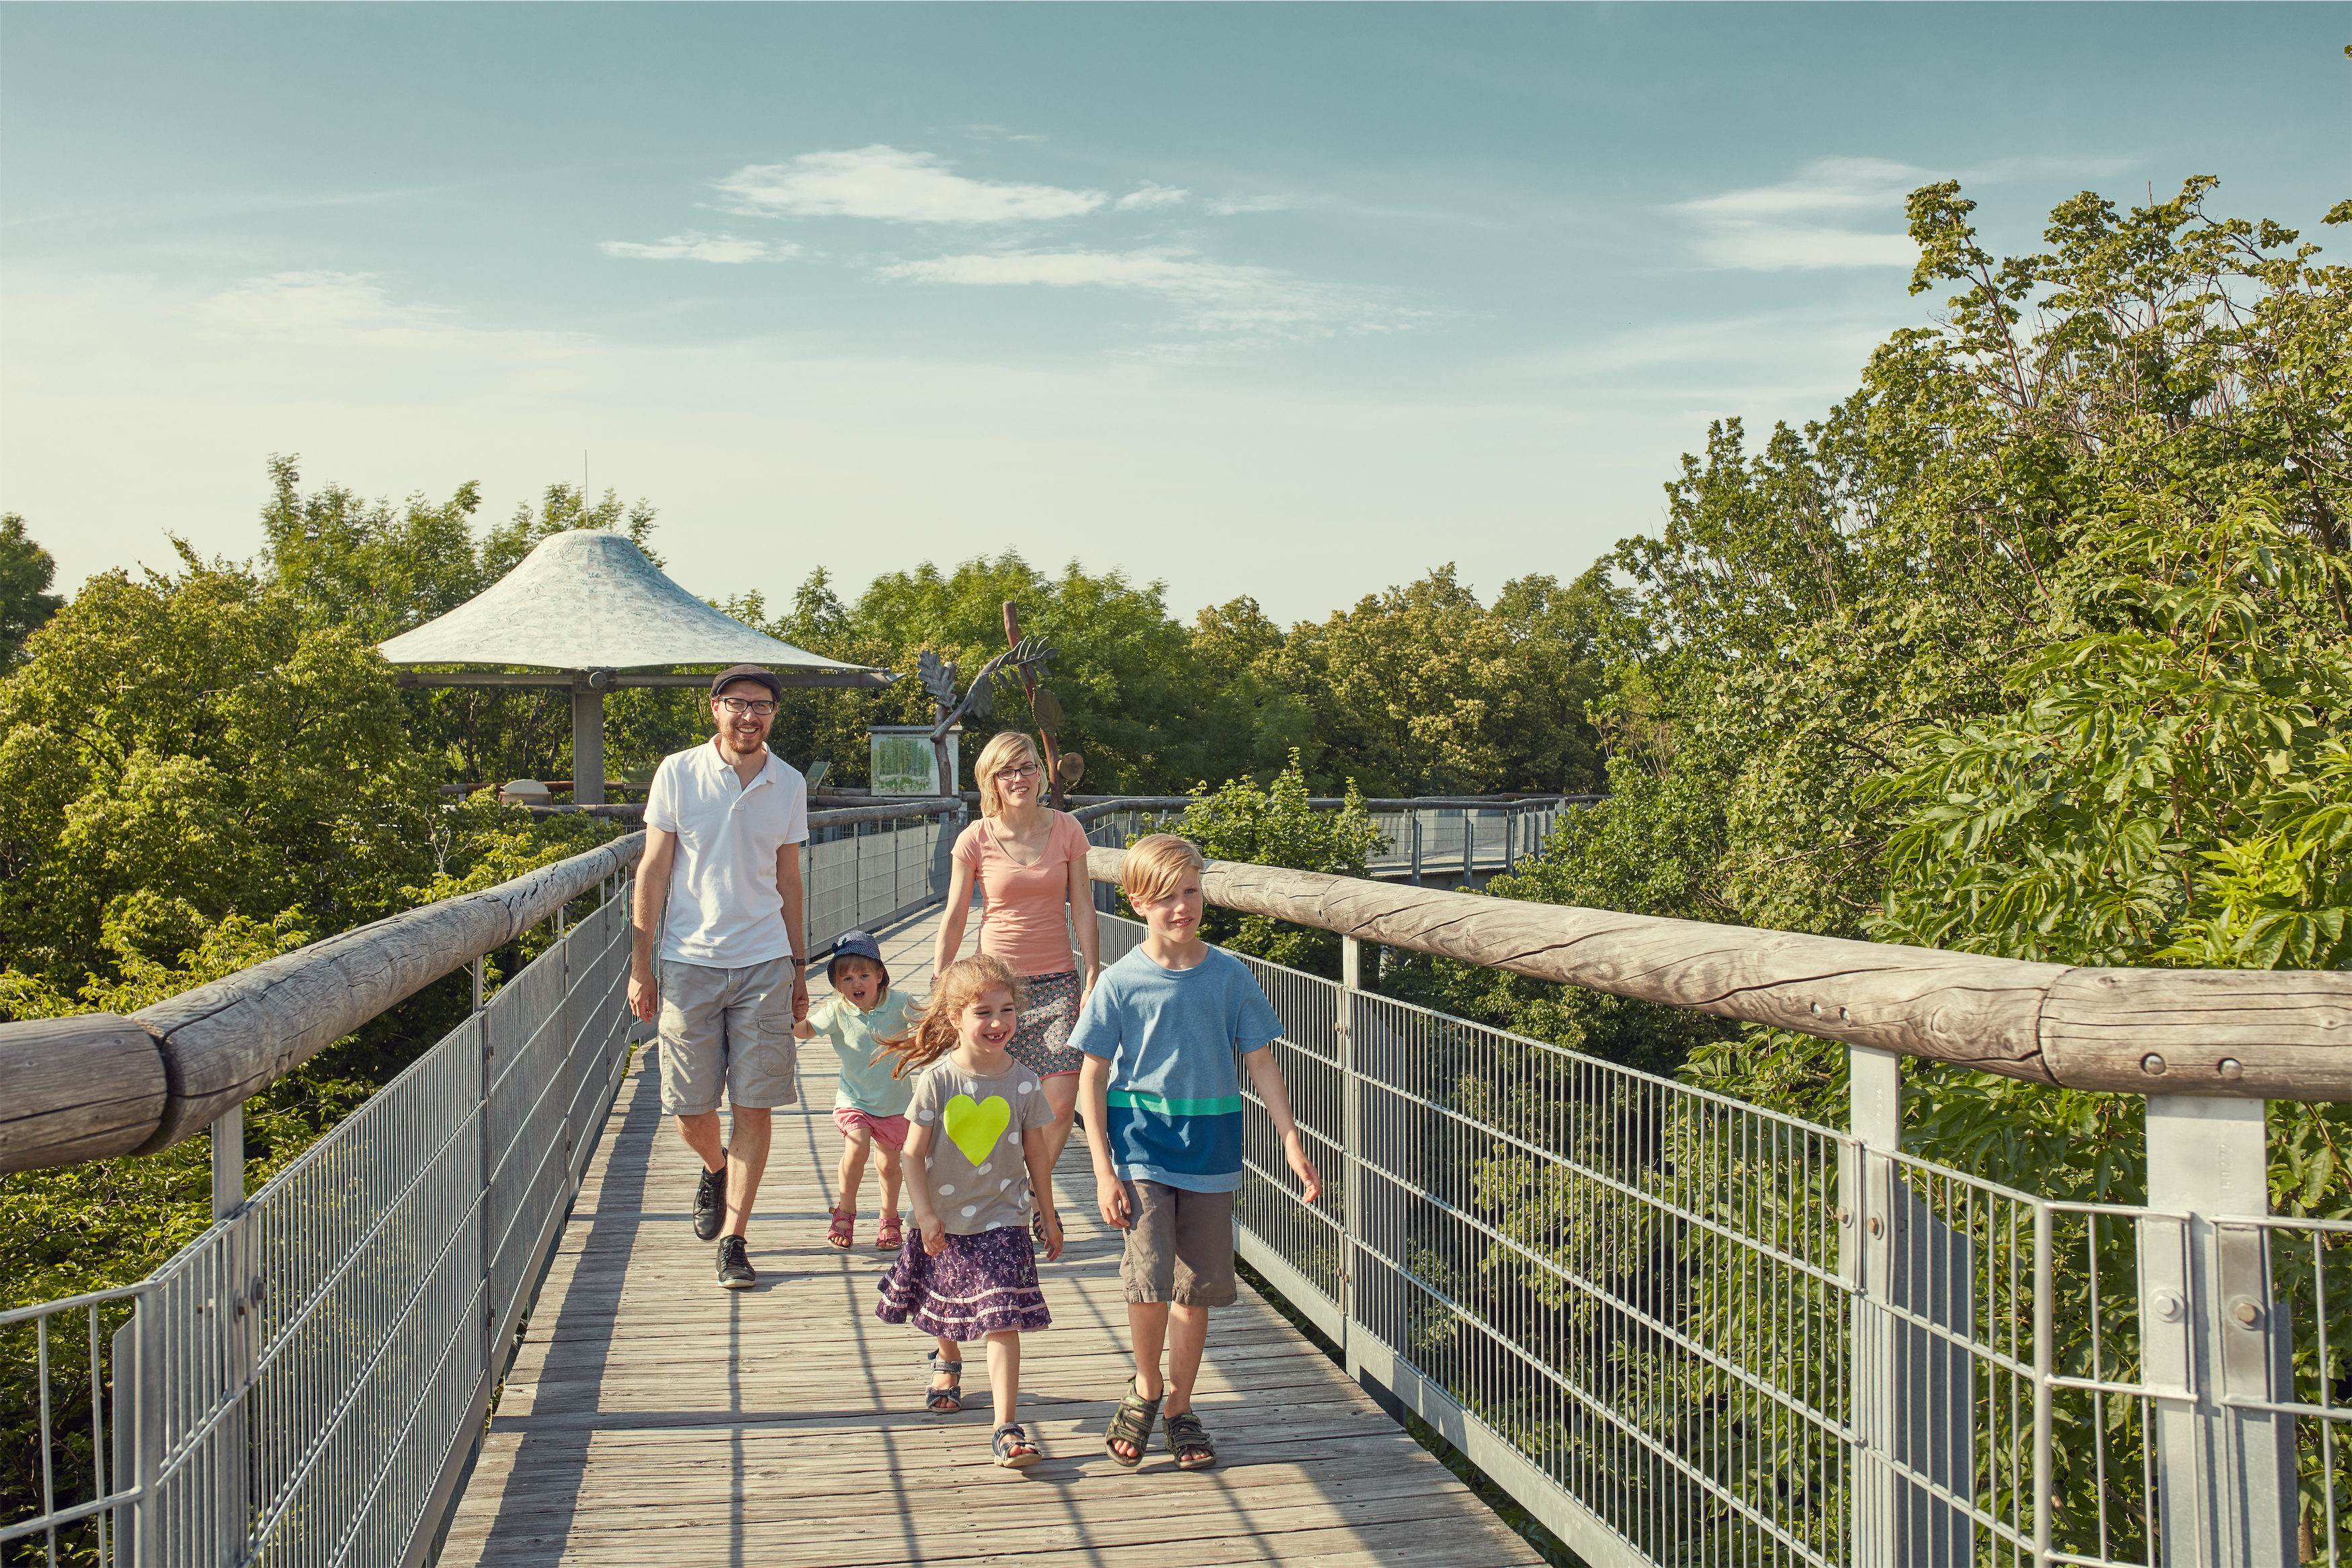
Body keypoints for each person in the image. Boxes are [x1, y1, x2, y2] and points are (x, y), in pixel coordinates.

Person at [1073, 834, 1322, 1471]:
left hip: (1211, 1150)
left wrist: (1291, 1140)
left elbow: (1261, 1062)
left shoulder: (1230, 975)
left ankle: (1180, 1406)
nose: (1181, 907)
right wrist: (1103, 1169)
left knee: (1195, 1288)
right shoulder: (1120, 983)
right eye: (1164, 897)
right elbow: (1091, 1076)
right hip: (1141, 1149)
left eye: (1190, 891)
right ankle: (1147, 1385)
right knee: (1149, 1278)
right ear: (1136, 904)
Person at [627, 664, 810, 1291]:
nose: (749, 716)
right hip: (688, 961)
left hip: (765, 960)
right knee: (687, 1105)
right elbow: (653, 869)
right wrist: (641, 965)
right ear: (715, 708)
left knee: (755, 1104)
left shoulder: (789, 782)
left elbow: (789, 880)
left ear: (774, 715)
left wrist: (799, 967)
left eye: (761, 706)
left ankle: (735, 1239)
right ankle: (716, 1166)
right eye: (737, 703)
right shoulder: (678, 772)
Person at [874, 953, 1064, 1468]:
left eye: (1007, 1010)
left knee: (1002, 1315)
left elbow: (1037, 1154)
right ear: (955, 1017)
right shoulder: (938, 1080)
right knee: (948, 1303)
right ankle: (948, 1356)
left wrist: (1047, 1214)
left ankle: (1006, 1426)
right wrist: (924, 1214)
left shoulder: (1024, 1082)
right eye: (984, 1012)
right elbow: (910, 1155)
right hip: (944, 1216)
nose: (998, 1023)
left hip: (1005, 1215)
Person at [932, 731, 1099, 1239]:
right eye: (1006, 771)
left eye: (1027, 767)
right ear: (992, 780)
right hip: (996, 989)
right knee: (1000, 1100)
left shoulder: (1068, 829)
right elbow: (956, 914)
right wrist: (941, 980)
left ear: (1040, 774)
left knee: (1061, 1100)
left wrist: (1092, 973)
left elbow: (1084, 906)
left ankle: (1030, 1192)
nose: (1018, 778)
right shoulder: (975, 838)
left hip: (1057, 982)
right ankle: (1006, 1194)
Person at [794, 928, 917, 1251]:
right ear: (837, 985)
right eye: (846, 979)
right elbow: (804, 1031)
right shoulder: (837, 1010)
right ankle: (845, 1211)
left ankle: (889, 1218)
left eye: (864, 975)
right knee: (857, 1147)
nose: (856, 984)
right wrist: (791, 1017)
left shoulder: (901, 1002)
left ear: (880, 975)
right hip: (854, 1100)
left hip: (895, 1103)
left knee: (889, 1165)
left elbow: (928, 1023)